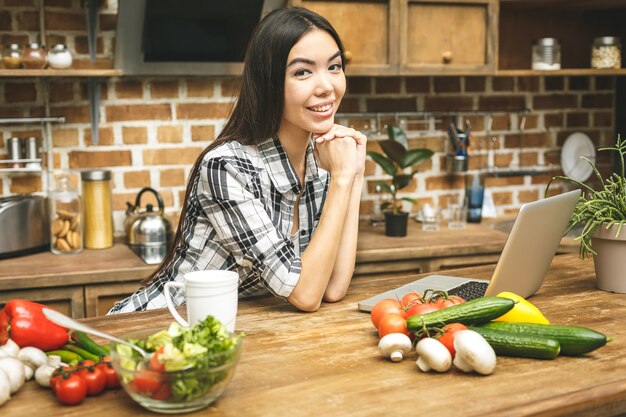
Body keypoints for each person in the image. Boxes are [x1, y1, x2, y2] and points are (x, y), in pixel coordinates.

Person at [108, 7, 366, 315]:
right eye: (302, 72)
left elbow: (333, 289)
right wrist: (341, 179)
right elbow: (306, 295)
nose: (327, 86)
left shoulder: (321, 163)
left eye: (334, 67)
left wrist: (353, 173)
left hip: (222, 331)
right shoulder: (227, 167)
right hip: (157, 326)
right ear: (269, 82)